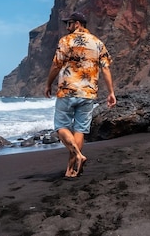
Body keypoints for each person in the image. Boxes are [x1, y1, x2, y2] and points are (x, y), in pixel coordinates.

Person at [45, 11, 116, 177]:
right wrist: (111, 92)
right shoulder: (98, 43)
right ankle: (72, 170)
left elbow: (56, 65)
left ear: (77, 23)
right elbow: (105, 68)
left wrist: (48, 84)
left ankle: (77, 156)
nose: (67, 27)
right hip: (88, 93)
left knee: (61, 127)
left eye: (68, 23)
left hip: (67, 91)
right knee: (80, 130)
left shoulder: (66, 41)